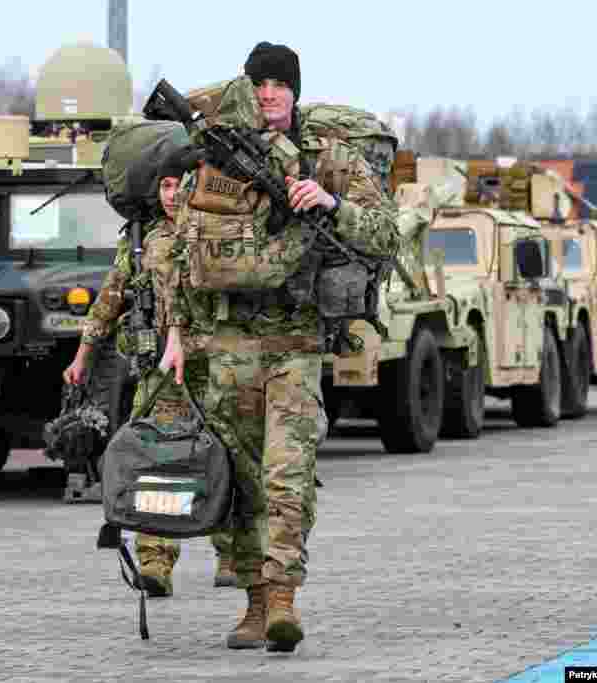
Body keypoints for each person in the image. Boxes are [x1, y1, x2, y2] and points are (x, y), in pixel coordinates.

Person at [160, 41, 399, 652]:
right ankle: (254, 603)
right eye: (260, 84)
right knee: (237, 481)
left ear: (295, 91)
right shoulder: (214, 156)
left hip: (293, 341)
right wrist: (175, 335)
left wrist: (331, 202)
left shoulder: (329, 156)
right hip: (225, 342)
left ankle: (285, 599)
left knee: (288, 475)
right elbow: (182, 248)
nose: (269, 95)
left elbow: (384, 232)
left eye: (280, 85)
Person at [62, 160, 235, 598]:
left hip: (218, 368)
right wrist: (83, 355)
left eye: (181, 185)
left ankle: (233, 553)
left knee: (230, 458)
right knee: (155, 461)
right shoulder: (143, 242)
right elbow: (109, 300)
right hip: (161, 373)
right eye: (165, 185)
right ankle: (155, 561)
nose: (172, 194)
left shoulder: (221, 232)